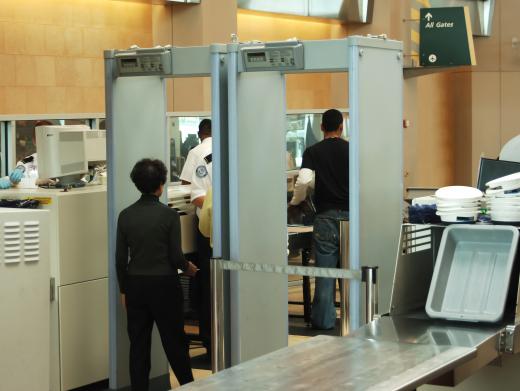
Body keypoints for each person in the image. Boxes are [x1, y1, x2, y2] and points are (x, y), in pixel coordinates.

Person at [116, 158, 197, 389]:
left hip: (135, 286)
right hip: (164, 286)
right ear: (161, 185)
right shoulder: (169, 216)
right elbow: (176, 257)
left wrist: (124, 290)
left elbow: (120, 260)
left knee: (138, 346)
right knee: (174, 342)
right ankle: (188, 386)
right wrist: (189, 269)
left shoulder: (125, 215)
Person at [289, 109, 349, 330]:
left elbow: (304, 180)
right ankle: (354, 319)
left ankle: (324, 322)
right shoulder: (351, 150)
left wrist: (296, 202)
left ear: (322, 127)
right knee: (350, 271)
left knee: (326, 271)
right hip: (351, 218)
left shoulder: (313, 151)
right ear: (341, 127)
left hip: (326, 217)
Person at [188, 122, 213, 357]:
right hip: (218, 227)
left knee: (207, 285)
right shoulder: (204, 154)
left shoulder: (198, 153)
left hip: (208, 229)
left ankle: (210, 339)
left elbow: (195, 195)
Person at [0, 120, 54, 189]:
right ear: (34, 141)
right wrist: (19, 170)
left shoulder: (60, 159)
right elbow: (21, 164)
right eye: (40, 138)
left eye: (48, 137)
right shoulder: (31, 158)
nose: (44, 142)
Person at [180, 119, 212, 185]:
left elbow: (186, 181)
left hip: (203, 194)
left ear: (198, 134)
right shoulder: (223, 150)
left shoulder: (194, 152)